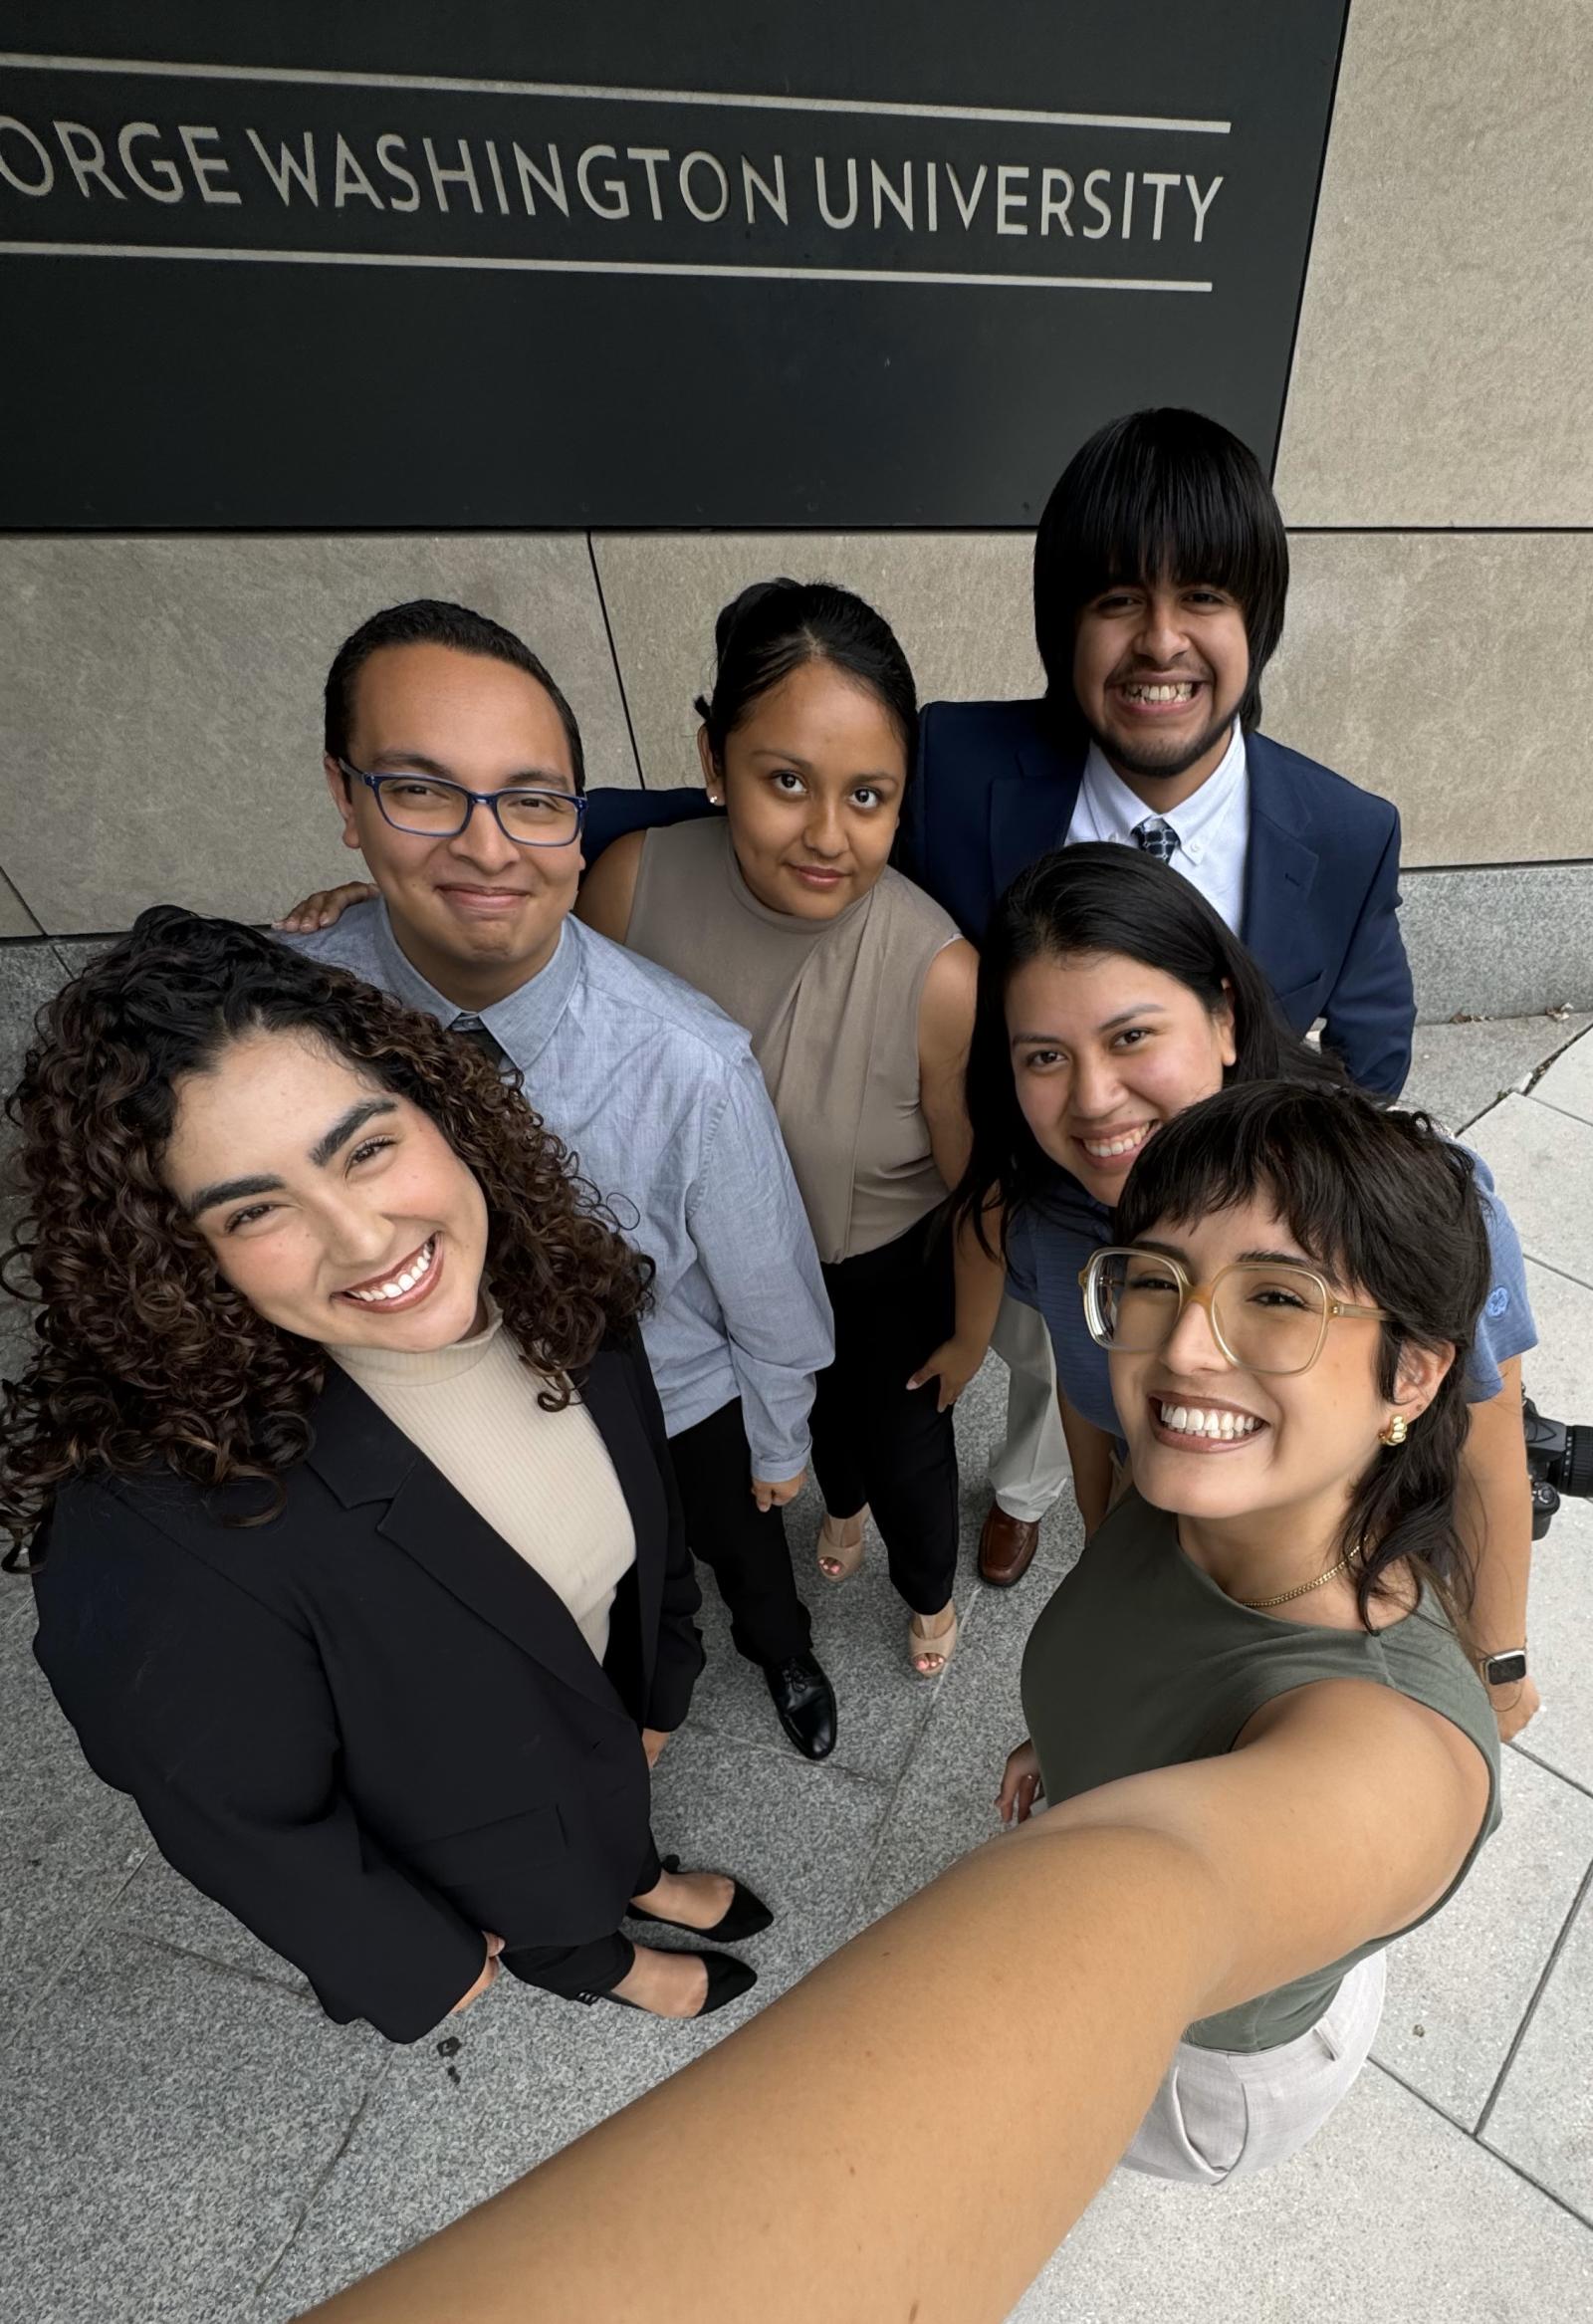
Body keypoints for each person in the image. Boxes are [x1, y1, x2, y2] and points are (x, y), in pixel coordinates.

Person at [298, 1081, 1499, 2323]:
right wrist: (1067, 1747)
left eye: (1279, 1297)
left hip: (1217, 2063)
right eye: (1155, 1279)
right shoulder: (1204, 1494)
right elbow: (1143, 1669)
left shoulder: (1391, 1750)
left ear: (1411, 1371)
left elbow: (1164, 1885)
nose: (1185, 1346)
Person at [569, 409, 1418, 1594]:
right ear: (1062, 623)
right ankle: (1038, 1489)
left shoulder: (1343, 830)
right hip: (1026, 1199)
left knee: (1161, 1448)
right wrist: (498, 841)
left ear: (1256, 620)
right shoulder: (962, 764)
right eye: (1117, 599)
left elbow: (1374, 1045)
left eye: (1206, 599)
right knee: (1047, 1359)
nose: (1160, 642)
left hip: (1227, 1227)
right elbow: (762, 801)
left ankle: (1017, 1494)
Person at [5, 910, 772, 2037]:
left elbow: (644, 1499)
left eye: (365, 1148)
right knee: (553, 1897)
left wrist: (662, 1672)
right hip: (482, 1837)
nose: (365, 1240)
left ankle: (636, 1870)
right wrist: (415, 1958)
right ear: (179, 1255)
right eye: (255, 1208)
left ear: (440, 1109)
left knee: (607, 1818)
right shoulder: (153, 1527)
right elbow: (229, 1813)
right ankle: (599, 1962)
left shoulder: (541, 1265)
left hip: (593, 1730)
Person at [275, 599, 839, 1761]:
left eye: (529, 801)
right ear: (345, 799)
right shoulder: (277, 1011)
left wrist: (780, 1442)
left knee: (742, 1557)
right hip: (424, 1408)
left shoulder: (689, 1063)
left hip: (674, 1398)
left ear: (574, 826)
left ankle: (782, 1651)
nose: (487, 847)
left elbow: (769, 1291)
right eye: (422, 789)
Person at [954, 843, 1539, 1740]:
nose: (1095, 1099)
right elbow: (1092, 1404)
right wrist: (1105, 1574)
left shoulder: (1410, 1203)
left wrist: (1498, 1664)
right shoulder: (1049, 1222)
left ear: (1225, 1018)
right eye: (1044, 1056)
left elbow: (1485, 1453)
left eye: (1131, 1036)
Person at [577, 581, 1004, 1678]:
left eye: (869, 796)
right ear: (713, 760)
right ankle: (839, 1511)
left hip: (879, 1283)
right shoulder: (627, 888)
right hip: (705, 1285)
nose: (828, 836)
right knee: (804, 1442)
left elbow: (979, 1190)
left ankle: (924, 1596)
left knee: (906, 1457)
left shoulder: (936, 971)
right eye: (784, 782)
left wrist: (969, 1331)